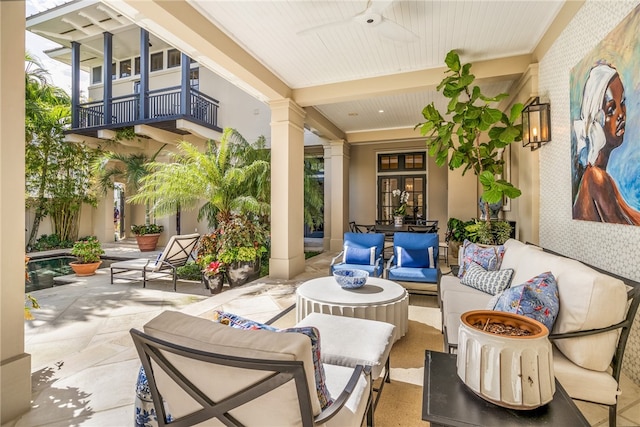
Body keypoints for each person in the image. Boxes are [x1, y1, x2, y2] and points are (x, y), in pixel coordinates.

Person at [572, 63, 640, 225]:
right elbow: (624, 226)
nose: (621, 115)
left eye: (622, 103)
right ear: (595, 121)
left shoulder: (601, 177)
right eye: (611, 110)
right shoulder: (596, 178)